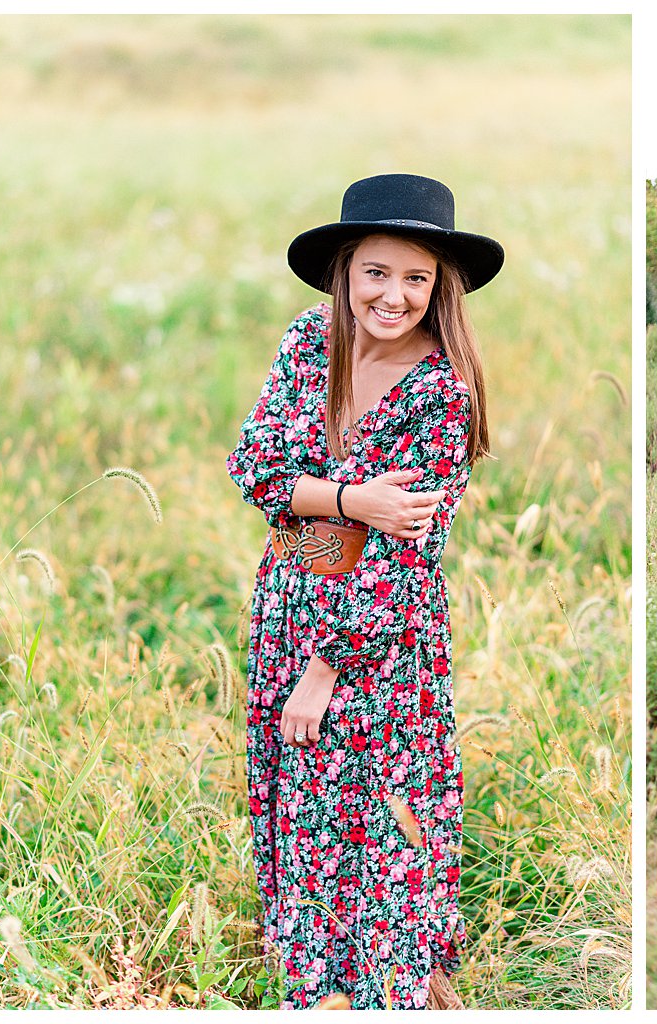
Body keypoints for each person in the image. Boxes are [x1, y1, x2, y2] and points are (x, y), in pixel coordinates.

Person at [227, 173, 503, 1009]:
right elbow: (254, 469)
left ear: (440, 289)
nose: (394, 295)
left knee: (381, 799)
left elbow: (403, 556)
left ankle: (394, 977)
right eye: (377, 272)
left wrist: (329, 665)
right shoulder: (308, 341)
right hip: (288, 592)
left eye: (417, 278)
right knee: (301, 788)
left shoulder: (441, 393)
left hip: (375, 629)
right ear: (344, 271)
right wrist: (357, 499)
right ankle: (311, 974)